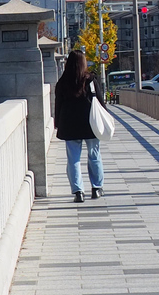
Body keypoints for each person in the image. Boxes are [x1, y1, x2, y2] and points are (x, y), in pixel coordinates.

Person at [54, 50, 104, 203]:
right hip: (91, 124)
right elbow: (100, 102)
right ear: (84, 63)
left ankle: (78, 191)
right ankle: (96, 188)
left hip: (70, 125)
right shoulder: (91, 81)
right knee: (94, 155)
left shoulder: (62, 82)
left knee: (73, 159)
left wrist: (57, 122)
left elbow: (58, 105)